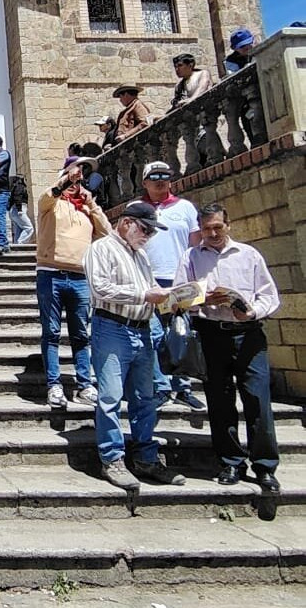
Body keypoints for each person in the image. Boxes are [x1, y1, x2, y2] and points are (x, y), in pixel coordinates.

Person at [173, 203, 281, 493]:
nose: (212, 233)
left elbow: (269, 295)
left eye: (217, 227)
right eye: (207, 229)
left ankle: (265, 466)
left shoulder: (248, 255)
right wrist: (201, 300)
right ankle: (231, 461)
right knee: (219, 401)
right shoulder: (191, 257)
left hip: (248, 335)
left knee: (258, 400)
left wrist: (251, 312)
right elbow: (178, 297)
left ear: (228, 225)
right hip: (212, 334)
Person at [84, 201, 186, 491]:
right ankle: (112, 459)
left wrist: (173, 298)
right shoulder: (101, 249)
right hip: (112, 328)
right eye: (146, 229)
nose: (148, 236)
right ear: (126, 223)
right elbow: (100, 288)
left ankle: (146, 458)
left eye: (152, 232)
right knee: (110, 396)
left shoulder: (141, 255)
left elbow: (151, 290)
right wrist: (144, 295)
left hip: (141, 330)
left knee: (145, 397)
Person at [36, 161, 110, 409]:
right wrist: (64, 182)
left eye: (78, 182)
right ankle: (54, 384)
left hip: (79, 277)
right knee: (52, 331)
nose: (75, 186)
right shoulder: (50, 204)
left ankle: (84, 384)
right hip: (51, 274)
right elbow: (48, 196)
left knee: (81, 334)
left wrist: (91, 203)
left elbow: (107, 234)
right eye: (71, 182)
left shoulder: (86, 209)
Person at [134, 161, 205, 412]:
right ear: (144, 182)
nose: (160, 180)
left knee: (180, 334)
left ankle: (182, 386)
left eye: (164, 175)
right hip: (148, 281)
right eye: (154, 176)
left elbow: (195, 244)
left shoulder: (185, 207)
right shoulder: (136, 208)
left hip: (179, 280)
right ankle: (161, 385)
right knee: (153, 335)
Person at [7, 174, 34, 244]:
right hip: (18, 210)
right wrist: (19, 209)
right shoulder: (20, 186)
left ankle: (17, 245)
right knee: (29, 228)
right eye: (26, 179)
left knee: (19, 229)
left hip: (14, 210)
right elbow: (17, 197)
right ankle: (21, 243)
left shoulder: (15, 186)